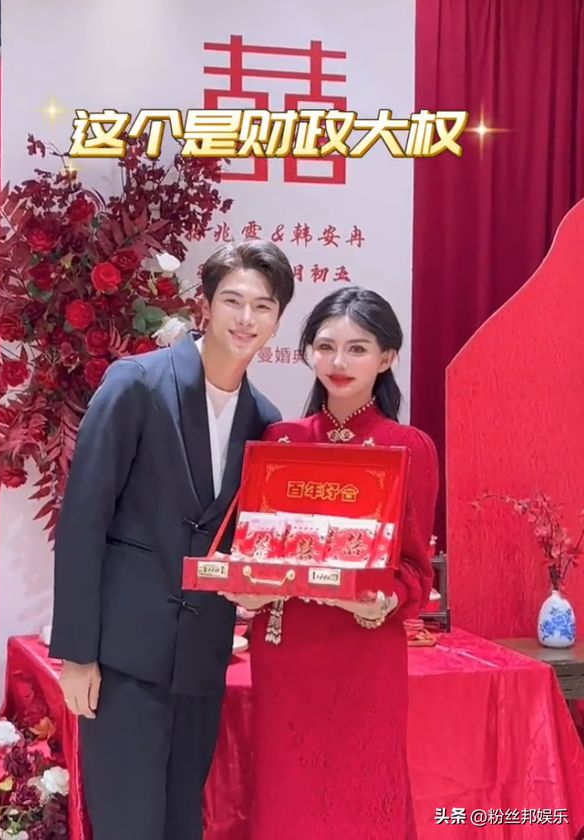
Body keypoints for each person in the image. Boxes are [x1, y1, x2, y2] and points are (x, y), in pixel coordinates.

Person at [49, 240, 295, 840]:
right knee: (127, 826)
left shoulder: (265, 421)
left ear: (277, 321)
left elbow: (246, 541)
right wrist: (77, 655)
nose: (246, 318)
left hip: (201, 665)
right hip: (123, 662)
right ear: (204, 305)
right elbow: (83, 520)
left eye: (263, 307)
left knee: (184, 824)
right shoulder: (136, 383)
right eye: (233, 301)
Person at [223, 286, 439, 840]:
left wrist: (382, 602)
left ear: (387, 358)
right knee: (286, 797)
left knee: (361, 797)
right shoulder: (280, 439)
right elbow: (255, 551)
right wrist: (248, 590)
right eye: (325, 346)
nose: (338, 362)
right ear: (308, 353)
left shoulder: (408, 446)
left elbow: (417, 571)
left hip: (362, 651)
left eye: (357, 348)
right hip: (286, 648)